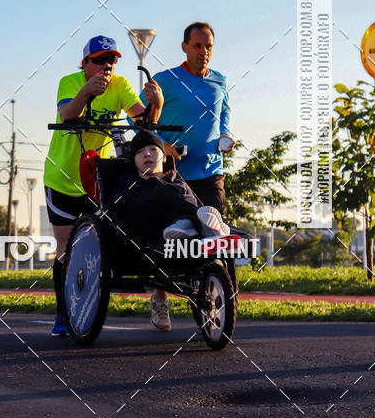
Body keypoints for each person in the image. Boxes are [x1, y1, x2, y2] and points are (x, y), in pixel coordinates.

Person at [44, 35, 163, 336]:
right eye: (99, 60)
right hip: (62, 177)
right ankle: (62, 313)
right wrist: (85, 93)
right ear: (85, 63)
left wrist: (156, 104)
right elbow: (67, 115)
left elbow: (144, 126)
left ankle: (89, 307)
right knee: (64, 248)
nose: (106, 66)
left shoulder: (121, 85)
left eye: (111, 60)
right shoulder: (70, 82)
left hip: (97, 177)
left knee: (99, 246)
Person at [145, 22, 235, 330]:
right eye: (197, 45)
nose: (203, 51)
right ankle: (160, 298)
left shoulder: (220, 81)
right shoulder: (165, 80)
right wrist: (162, 146)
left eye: (208, 46)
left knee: (214, 237)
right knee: (171, 237)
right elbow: (145, 122)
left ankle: (213, 296)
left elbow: (224, 116)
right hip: (173, 174)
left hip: (210, 171)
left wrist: (226, 136)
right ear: (184, 46)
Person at [109, 130, 229, 332]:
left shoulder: (175, 178)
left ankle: (194, 224)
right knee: (160, 192)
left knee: (179, 193)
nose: (147, 154)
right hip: (149, 231)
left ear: (164, 157)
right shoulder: (128, 182)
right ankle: (191, 222)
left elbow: (191, 199)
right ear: (133, 160)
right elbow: (120, 208)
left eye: (153, 149)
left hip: (183, 234)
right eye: (140, 152)